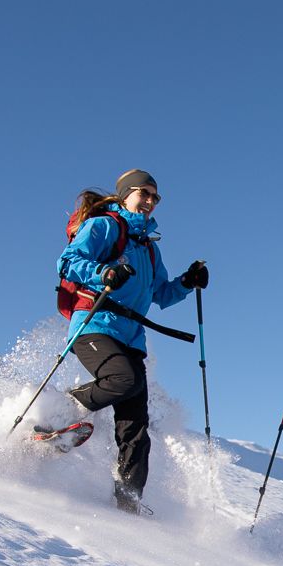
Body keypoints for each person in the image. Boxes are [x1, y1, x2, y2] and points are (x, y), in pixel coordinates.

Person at [57, 169, 207, 512]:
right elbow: (68, 262)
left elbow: (162, 294)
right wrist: (103, 272)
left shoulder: (149, 250)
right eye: (145, 193)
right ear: (125, 195)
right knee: (122, 379)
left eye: (156, 197)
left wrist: (188, 281)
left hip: (131, 339)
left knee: (136, 429)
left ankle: (127, 502)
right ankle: (62, 410)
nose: (151, 201)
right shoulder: (105, 226)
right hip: (95, 325)